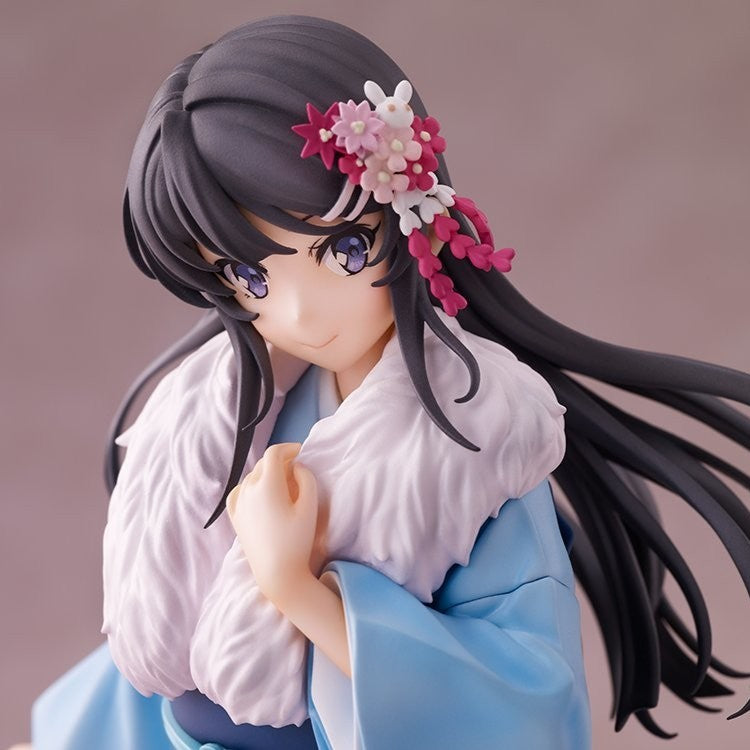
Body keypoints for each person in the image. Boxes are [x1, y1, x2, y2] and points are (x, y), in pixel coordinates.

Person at [28, 13, 750, 750]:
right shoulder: (220, 419)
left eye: (343, 250)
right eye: (249, 277)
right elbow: (167, 650)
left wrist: (297, 588)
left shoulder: (474, 442)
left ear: (411, 216)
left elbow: (522, 703)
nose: (301, 313)